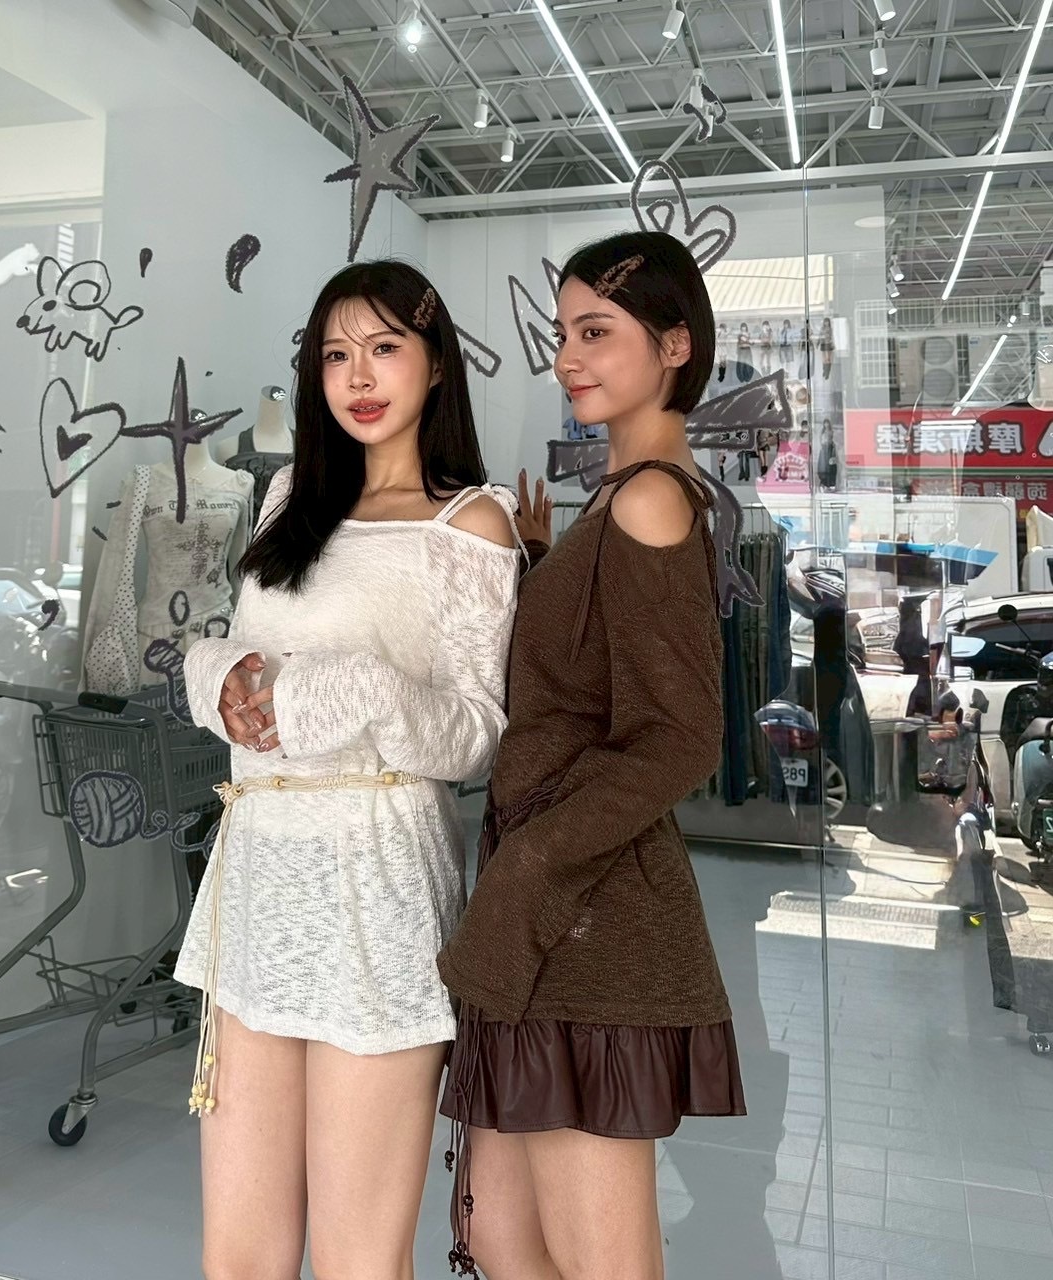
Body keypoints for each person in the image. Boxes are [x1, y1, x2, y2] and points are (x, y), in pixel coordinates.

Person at [176, 260, 524, 1280]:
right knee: (238, 1254)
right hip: (257, 877)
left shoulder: (471, 521)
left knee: (358, 1260)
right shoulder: (292, 495)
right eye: (335, 354)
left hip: (376, 886)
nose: (358, 376)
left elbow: (475, 733)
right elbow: (248, 649)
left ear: (435, 364)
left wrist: (359, 689)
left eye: (383, 348)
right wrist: (223, 679)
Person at [436, 230, 745, 1280]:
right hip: (548, 916)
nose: (567, 356)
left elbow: (680, 735)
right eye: (563, 332)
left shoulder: (650, 497)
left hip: (586, 917)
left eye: (596, 332)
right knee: (497, 1234)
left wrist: (528, 864)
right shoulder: (619, 499)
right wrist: (539, 569)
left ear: (674, 344)